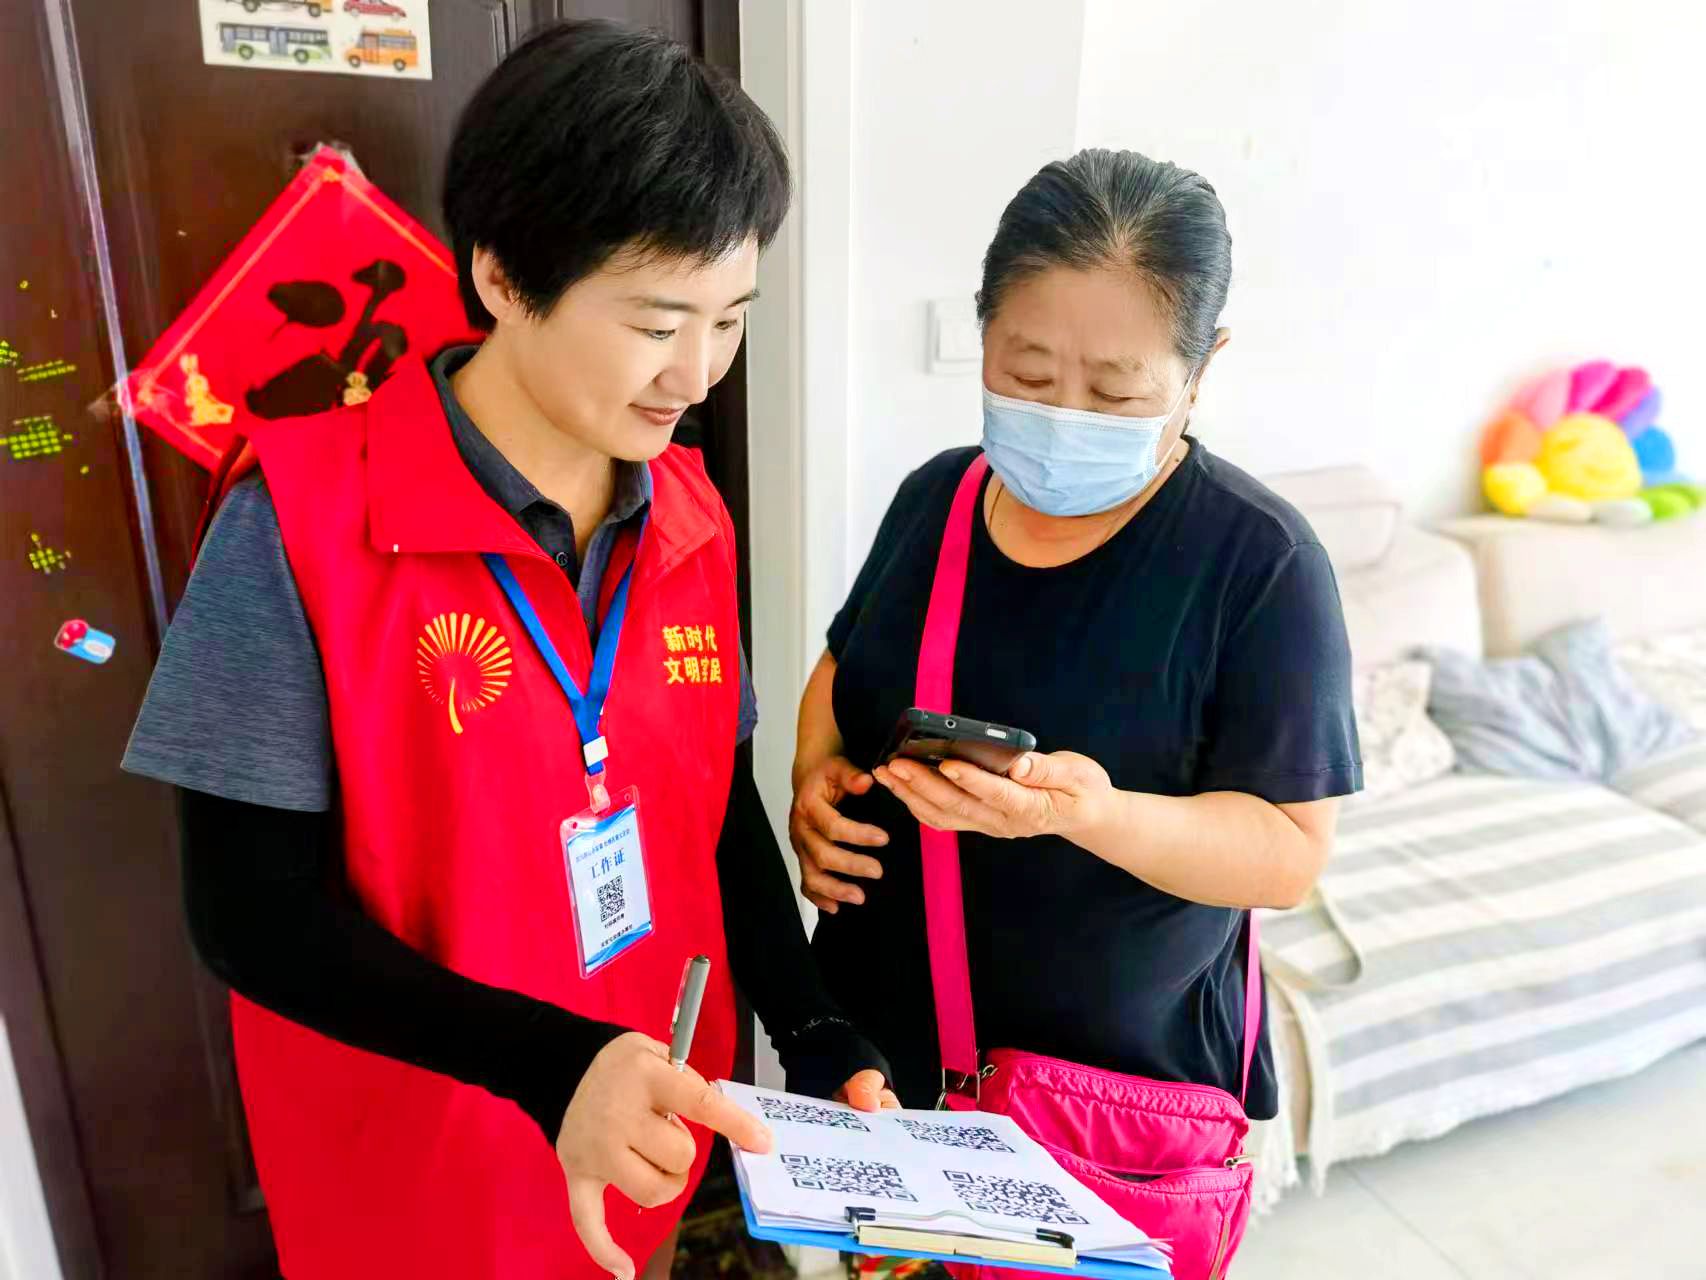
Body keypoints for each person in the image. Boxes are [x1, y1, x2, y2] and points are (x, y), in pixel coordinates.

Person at [122, 21, 892, 1280]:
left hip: (642, 1135)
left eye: (730, 320)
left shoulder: (686, 510)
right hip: (415, 1174)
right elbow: (248, 915)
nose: (697, 373)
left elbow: (712, 804)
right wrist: (551, 1065)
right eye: (657, 322)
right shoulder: (298, 524)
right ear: (500, 275)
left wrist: (808, 1018)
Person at [788, 148, 1362, 1117]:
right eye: (1027, 372)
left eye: (1114, 393)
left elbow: (1286, 853)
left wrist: (1088, 815)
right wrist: (815, 778)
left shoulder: (1261, 563)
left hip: (1108, 1106)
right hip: (873, 1065)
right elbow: (845, 669)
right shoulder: (937, 496)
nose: (1061, 416)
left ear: (1200, 370)